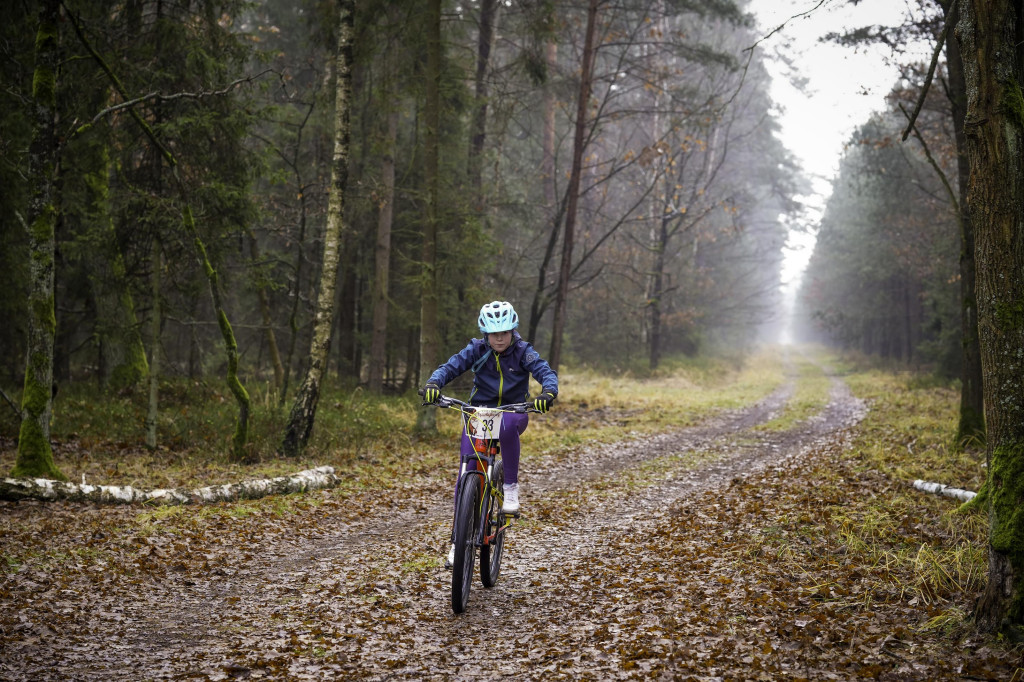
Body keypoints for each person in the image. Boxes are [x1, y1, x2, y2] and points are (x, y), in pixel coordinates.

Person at [423, 300, 559, 568]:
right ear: (486, 333)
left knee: (507, 428)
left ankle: (509, 489)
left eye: (505, 332)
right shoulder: (476, 349)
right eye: (495, 334)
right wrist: (433, 383)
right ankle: (456, 541)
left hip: (513, 411)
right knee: (467, 470)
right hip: (479, 412)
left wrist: (548, 392)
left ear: (512, 331)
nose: (500, 338)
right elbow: (450, 367)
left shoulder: (522, 351)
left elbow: (545, 371)